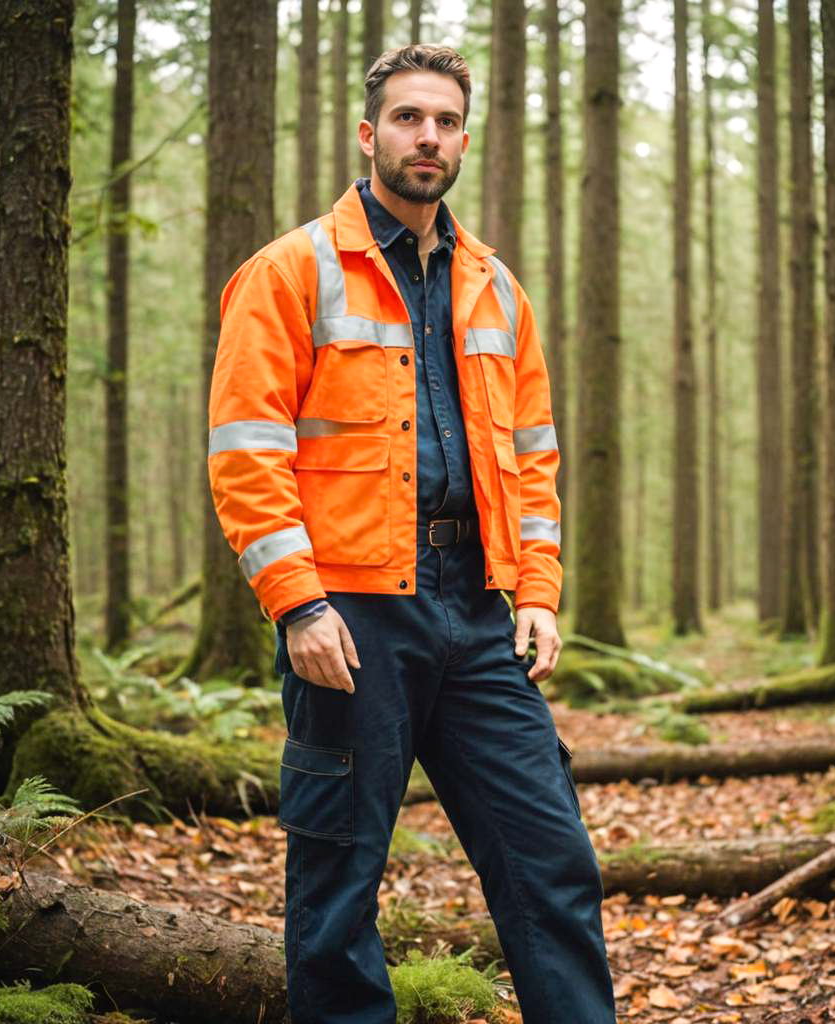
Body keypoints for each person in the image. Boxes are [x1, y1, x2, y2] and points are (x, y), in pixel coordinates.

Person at [207, 44, 616, 1024]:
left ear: (463, 140)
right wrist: (297, 602)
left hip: (479, 612)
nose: (425, 136)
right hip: (349, 616)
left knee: (550, 858)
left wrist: (541, 591)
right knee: (338, 882)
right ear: (368, 133)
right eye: (406, 118)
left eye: (442, 121)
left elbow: (533, 456)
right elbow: (244, 452)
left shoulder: (495, 286)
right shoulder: (290, 271)